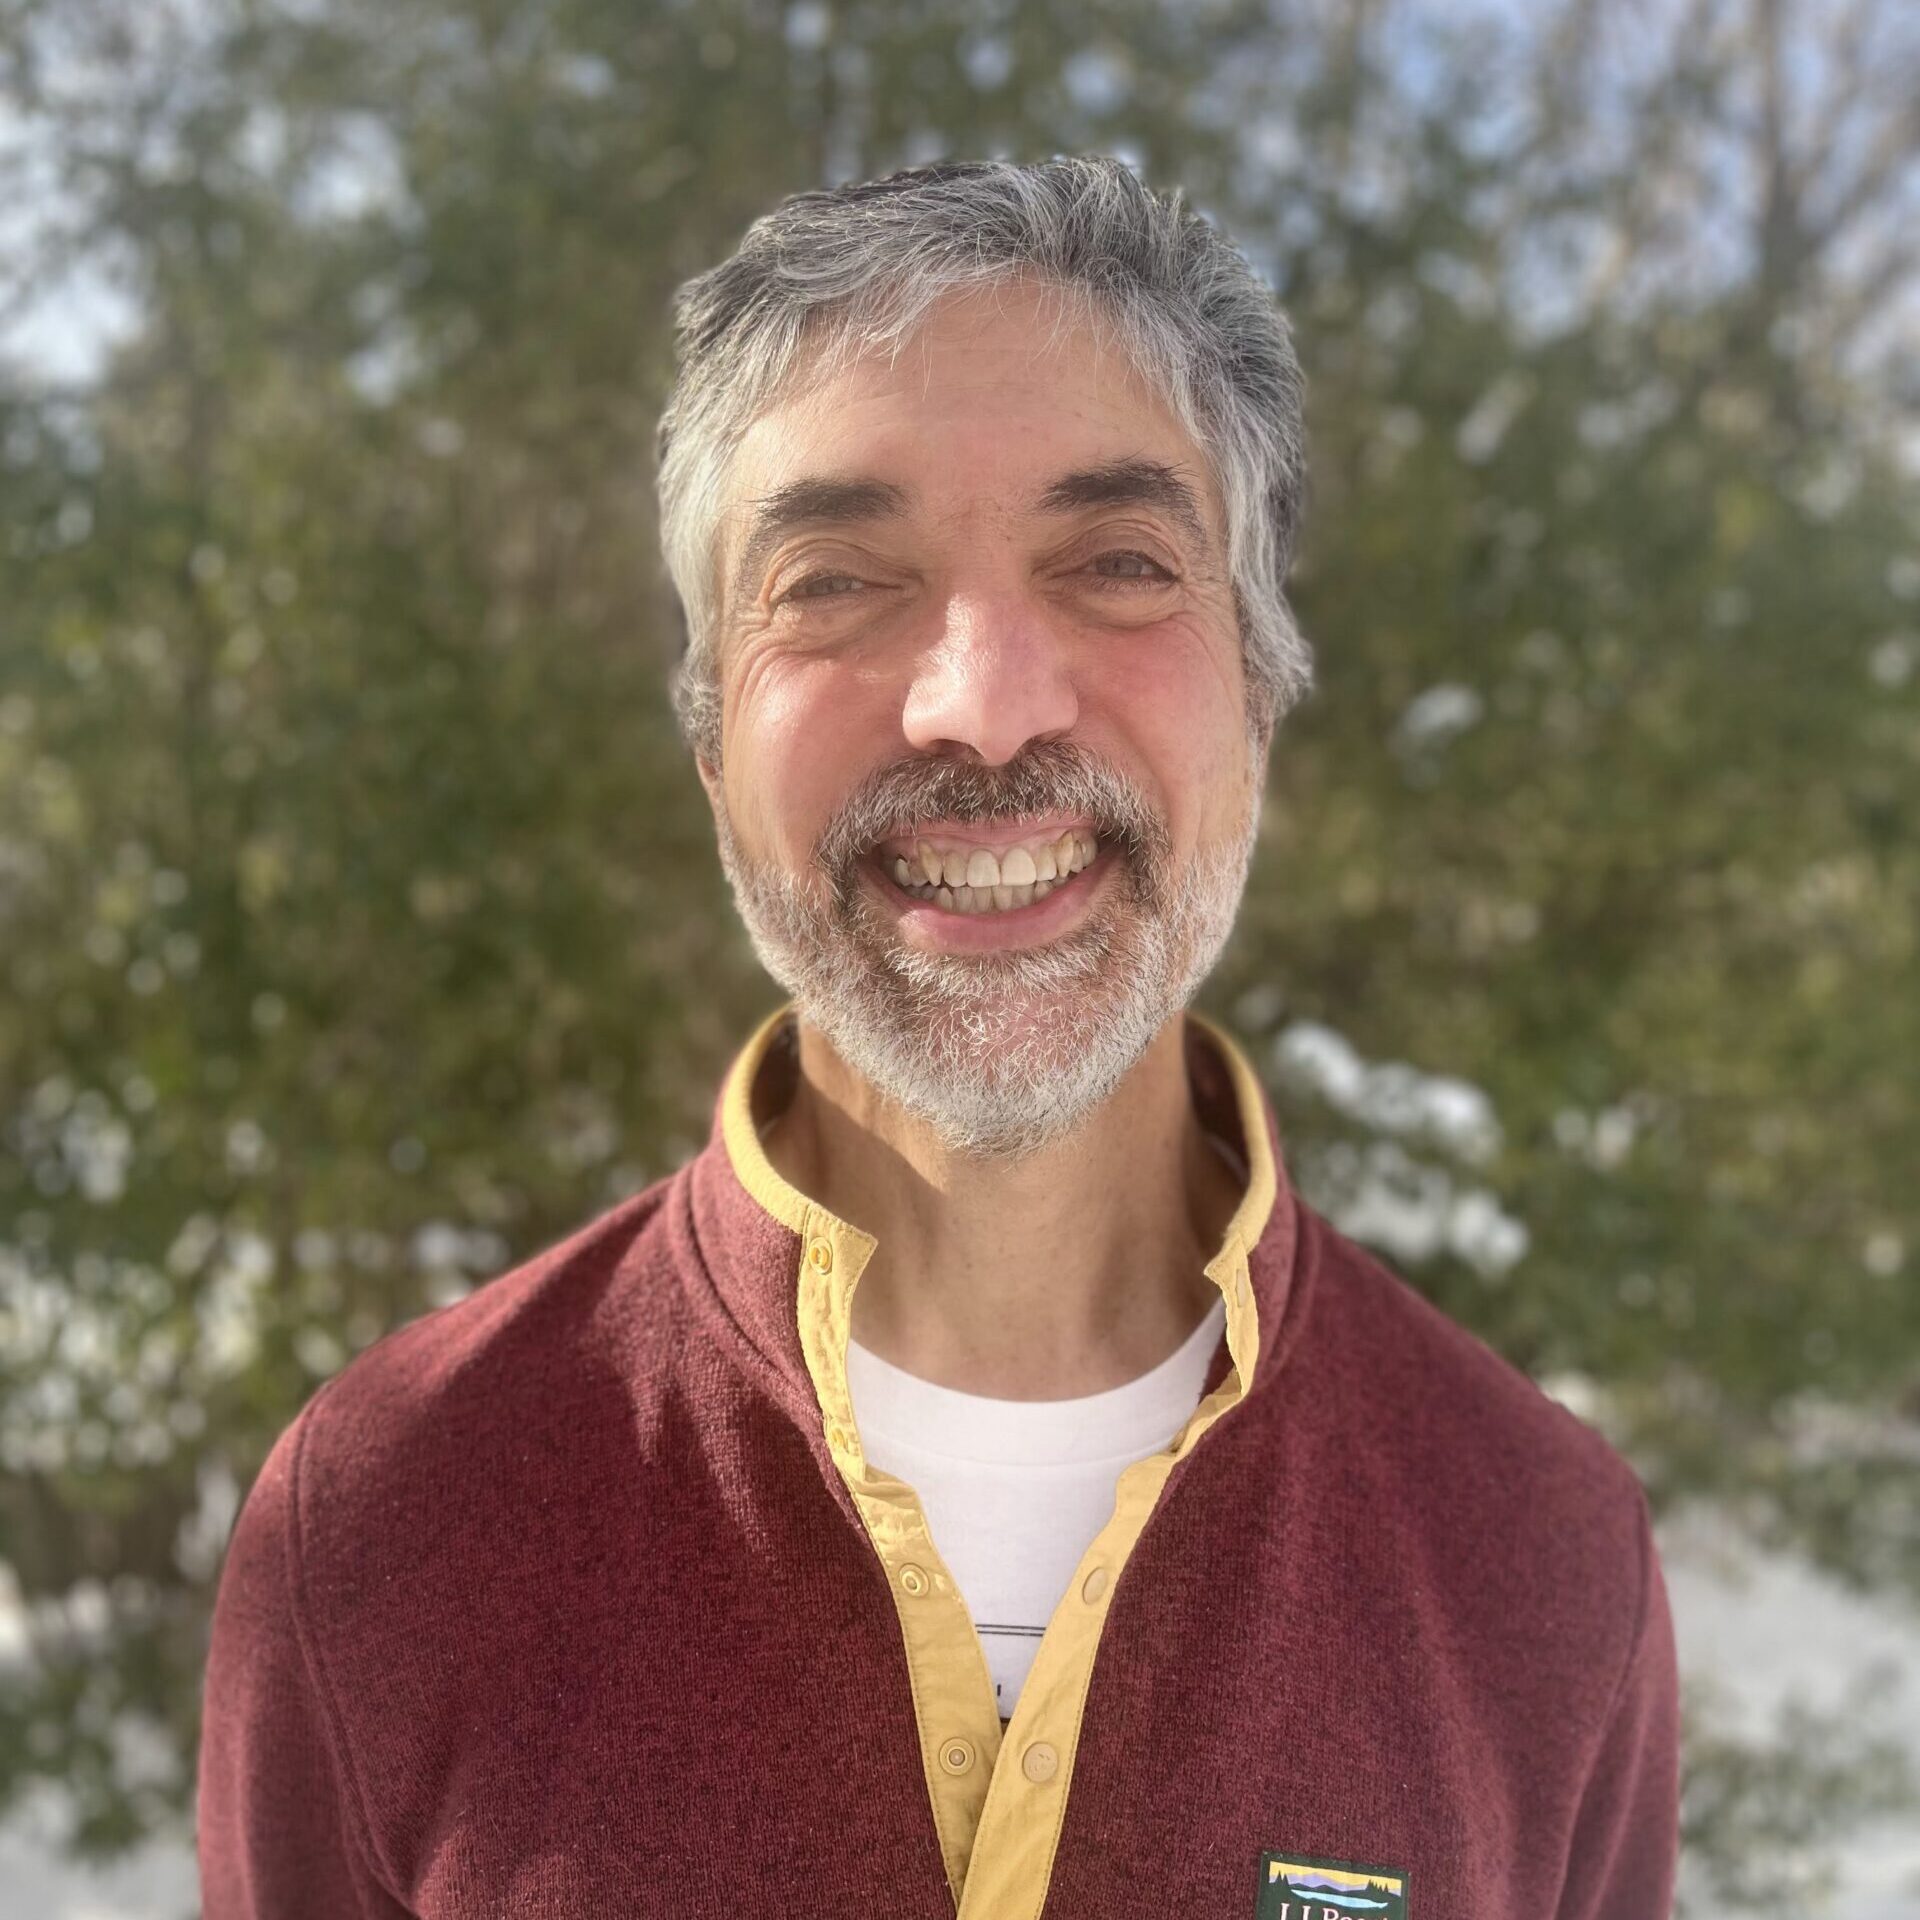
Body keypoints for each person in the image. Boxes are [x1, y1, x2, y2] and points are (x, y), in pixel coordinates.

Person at [198, 158, 1679, 1920]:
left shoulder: (1543, 1558)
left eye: (1119, 562)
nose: (982, 703)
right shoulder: (386, 1521)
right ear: (706, 743)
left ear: (1261, 700)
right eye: (834, 581)